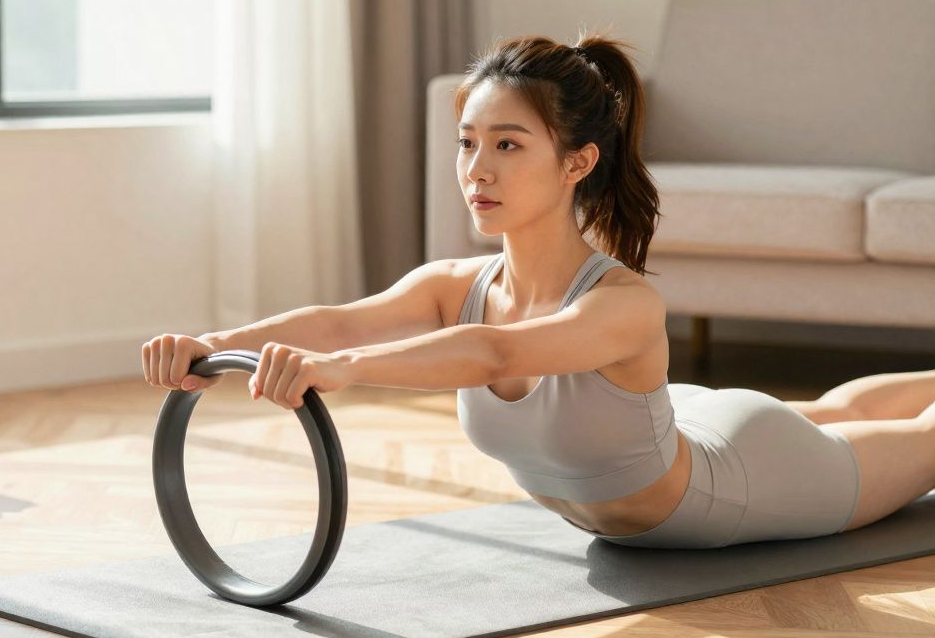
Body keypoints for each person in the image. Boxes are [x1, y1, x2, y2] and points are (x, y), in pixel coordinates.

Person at [142, 32, 935, 549]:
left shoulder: (622, 305)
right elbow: (334, 317)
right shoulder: (456, 283)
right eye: (468, 144)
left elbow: (494, 351)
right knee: (834, 410)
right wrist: (216, 347)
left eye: (508, 145)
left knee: (865, 437)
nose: (476, 170)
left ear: (577, 162)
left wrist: (343, 370)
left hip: (745, 478)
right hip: (688, 421)